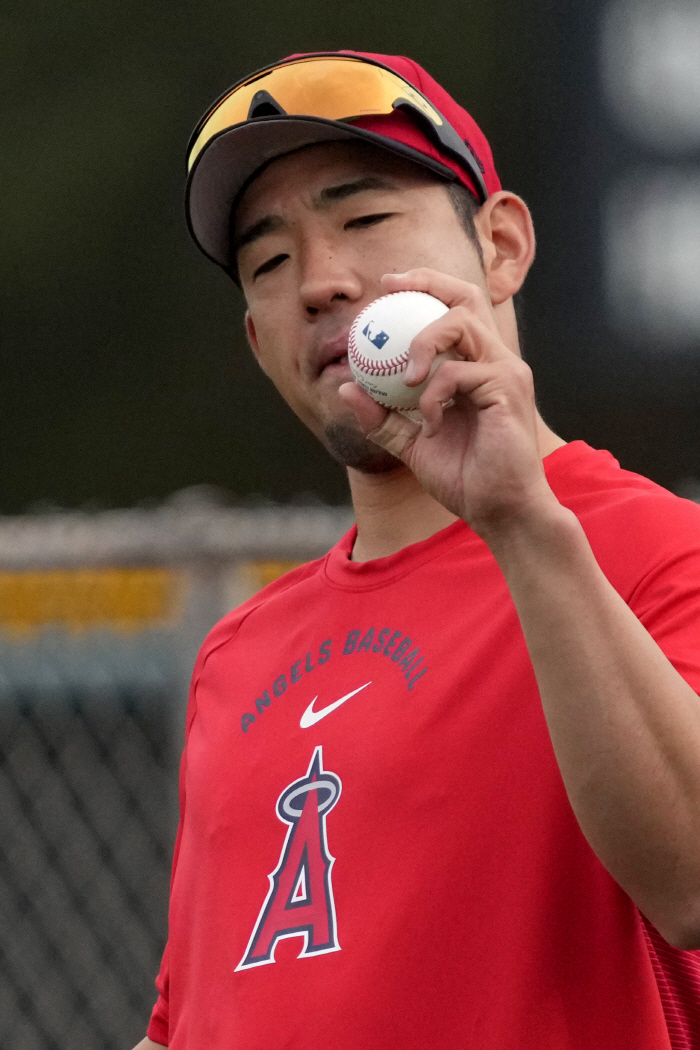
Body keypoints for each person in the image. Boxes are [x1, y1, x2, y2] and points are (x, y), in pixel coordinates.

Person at [133, 52, 700, 1050]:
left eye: (362, 219)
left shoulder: (656, 551)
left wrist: (521, 521)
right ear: (260, 344)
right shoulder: (238, 652)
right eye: (269, 262)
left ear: (501, 247)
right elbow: (193, 1022)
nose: (320, 282)